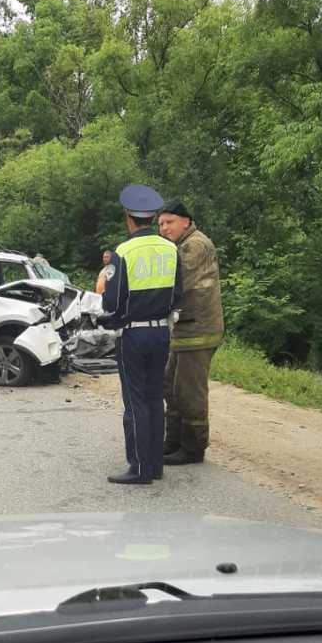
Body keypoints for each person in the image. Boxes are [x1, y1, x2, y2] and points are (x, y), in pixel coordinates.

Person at [101, 184, 182, 485]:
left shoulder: (123, 252)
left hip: (132, 336)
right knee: (153, 398)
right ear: (153, 217)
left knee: (135, 402)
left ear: (128, 218)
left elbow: (113, 302)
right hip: (161, 334)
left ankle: (139, 467)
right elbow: (178, 293)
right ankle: (156, 465)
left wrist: (111, 317)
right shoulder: (171, 248)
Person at [157, 201, 224, 464]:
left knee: (189, 391)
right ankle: (173, 441)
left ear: (186, 221)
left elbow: (176, 280)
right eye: (161, 224)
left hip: (199, 330)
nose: (163, 228)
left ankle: (193, 448)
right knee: (170, 386)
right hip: (185, 330)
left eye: (169, 222)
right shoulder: (179, 245)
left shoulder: (195, 244)